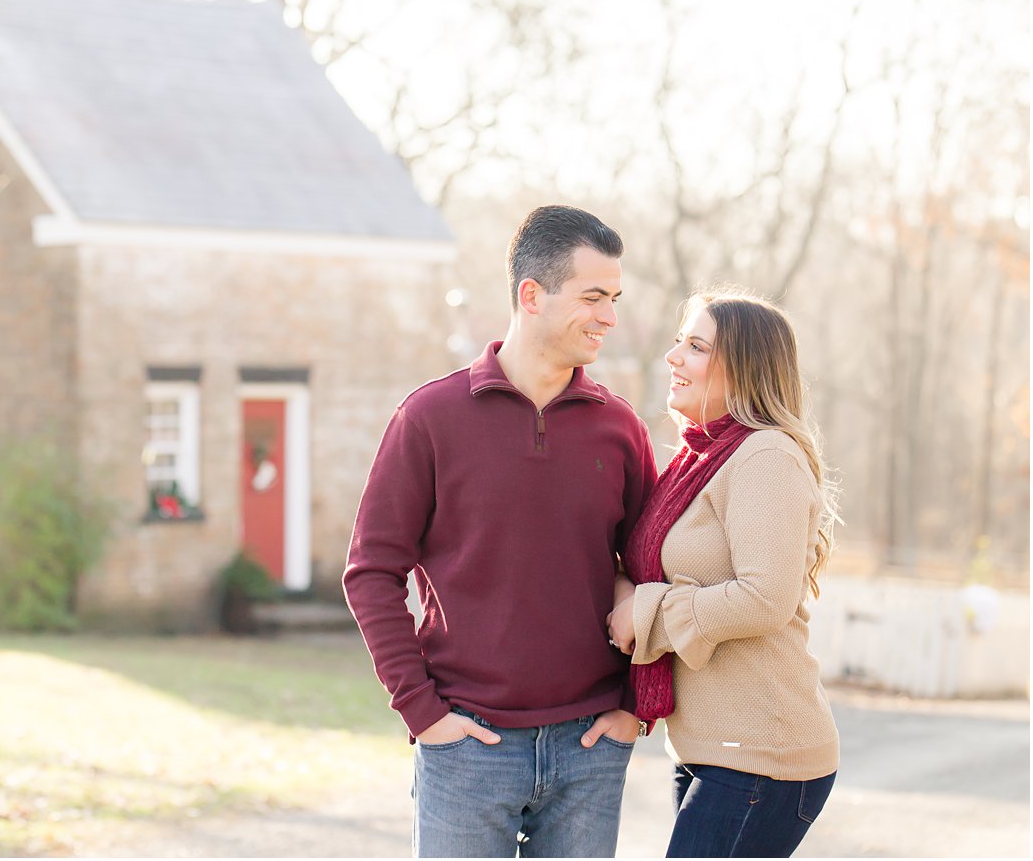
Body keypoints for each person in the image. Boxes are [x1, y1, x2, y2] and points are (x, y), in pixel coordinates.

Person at [345, 205, 658, 858]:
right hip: (468, 748)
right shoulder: (430, 418)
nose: (609, 316)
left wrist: (635, 704)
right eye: (594, 296)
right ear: (531, 295)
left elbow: (656, 567)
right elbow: (372, 570)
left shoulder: (620, 428)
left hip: (589, 750)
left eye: (615, 298)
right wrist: (423, 713)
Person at [607, 291, 840, 858]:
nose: (673, 357)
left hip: (764, 751)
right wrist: (626, 592)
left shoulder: (765, 456)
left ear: (744, 367)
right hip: (711, 747)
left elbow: (765, 598)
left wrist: (645, 612)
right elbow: (642, 565)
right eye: (678, 341)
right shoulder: (698, 460)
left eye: (696, 346)